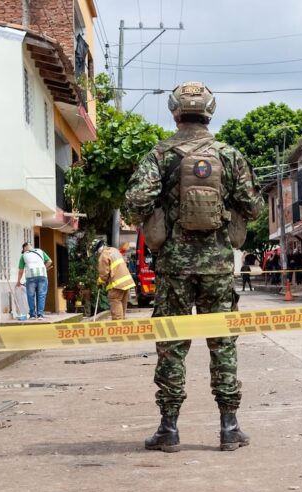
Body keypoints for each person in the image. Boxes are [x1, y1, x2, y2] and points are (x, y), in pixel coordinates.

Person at [126, 81, 263, 452]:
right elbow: (254, 208)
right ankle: (229, 427)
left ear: (174, 112)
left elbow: (136, 201)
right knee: (223, 346)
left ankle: (169, 430)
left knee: (172, 346)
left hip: (173, 268)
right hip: (218, 267)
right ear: (210, 112)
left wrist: (158, 215)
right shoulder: (229, 155)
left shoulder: (159, 155)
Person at [92, 238, 135, 320]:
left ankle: (118, 327)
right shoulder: (114, 250)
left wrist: (100, 282)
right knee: (122, 305)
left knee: (115, 301)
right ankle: (123, 326)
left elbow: (104, 273)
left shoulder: (104, 255)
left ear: (97, 249)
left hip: (117, 284)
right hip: (127, 282)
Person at [16, 242, 53, 320]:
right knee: (41, 295)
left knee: (31, 295)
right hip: (42, 276)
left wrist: (18, 281)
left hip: (31, 277)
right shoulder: (40, 251)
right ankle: (40, 315)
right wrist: (43, 268)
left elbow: (21, 270)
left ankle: (32, 315)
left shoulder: (23, 255)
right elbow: (49, 261)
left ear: (24, 249)